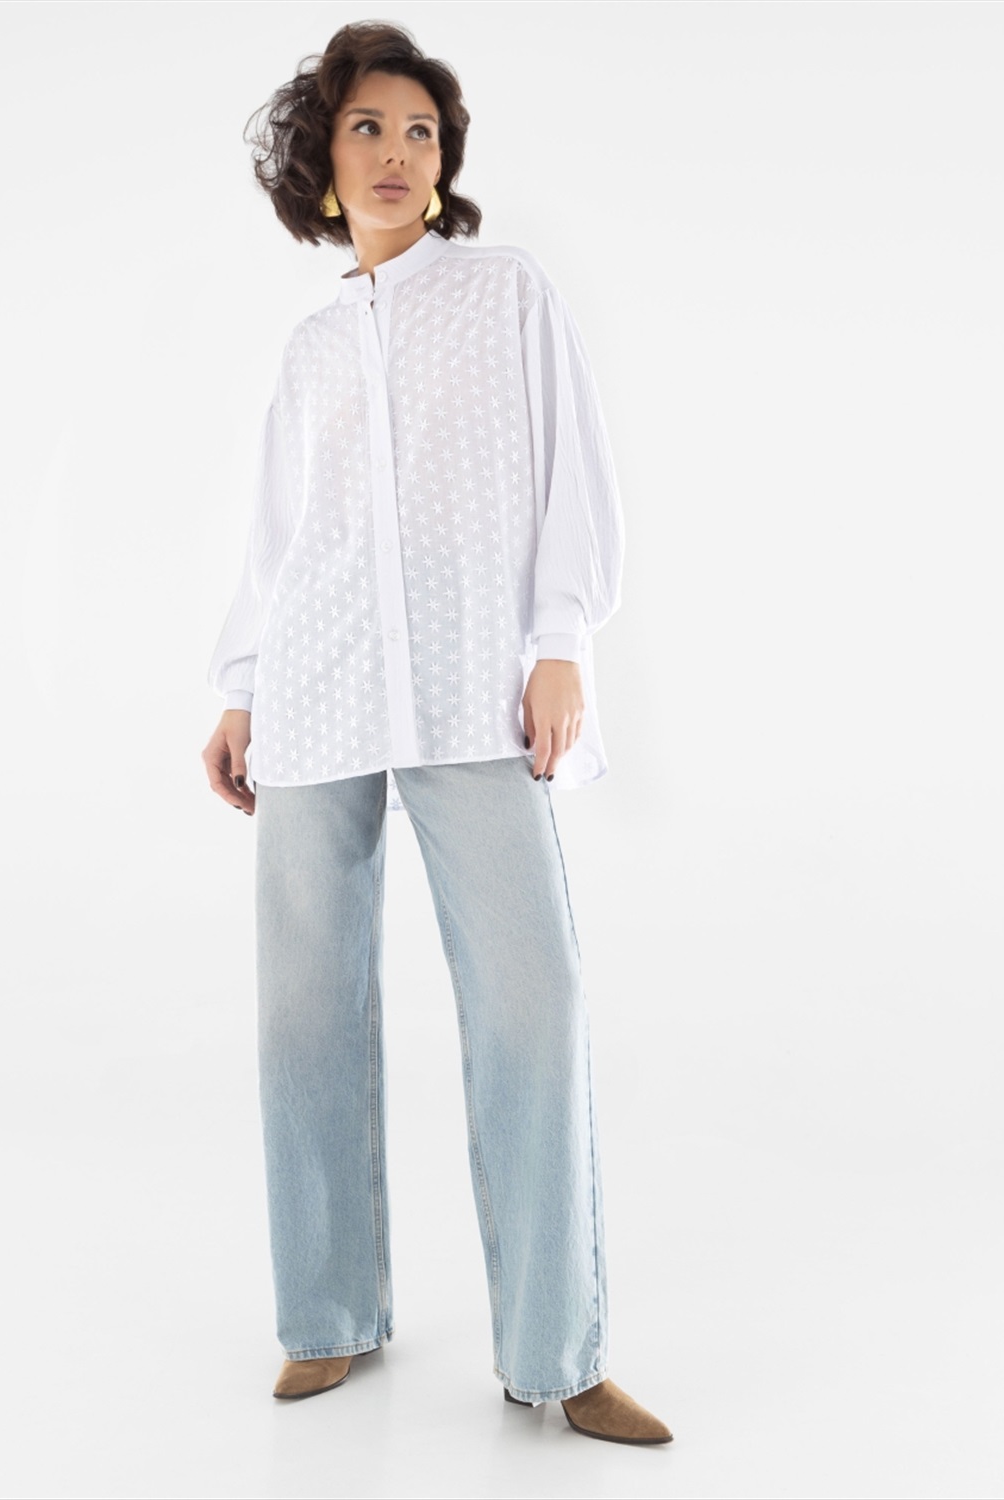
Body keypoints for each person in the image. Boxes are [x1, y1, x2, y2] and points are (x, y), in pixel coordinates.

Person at [200, 22, 671, 1447]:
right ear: (323, 162)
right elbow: (278, 542)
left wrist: (560, 644)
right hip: (318, 691)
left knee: (533, 1003)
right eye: (367, 129)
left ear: (445, 158)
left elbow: (573, 474)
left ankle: (558, 1352)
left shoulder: (507, 293)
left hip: (475, 688)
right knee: (303, 1012)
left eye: (420, 131)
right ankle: (328, 1315)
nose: (398, 153)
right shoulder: (309, 350)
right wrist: (240, 688)